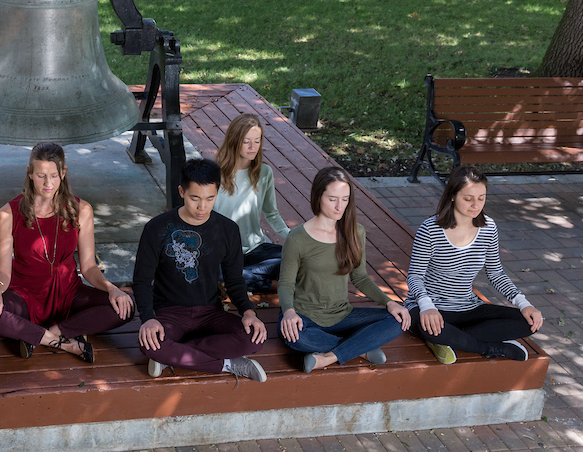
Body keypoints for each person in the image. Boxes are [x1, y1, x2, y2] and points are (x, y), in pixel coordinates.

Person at [0, 142, 133, 362]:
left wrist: (111, 289)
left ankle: (39, 335)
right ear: (29, 173)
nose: (48, 183)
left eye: (54, 175)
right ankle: (66, 343)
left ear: (63, 173)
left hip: (69, 294)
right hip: (25, 296)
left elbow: (88, 267)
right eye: (41, 175)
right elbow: (2, 271)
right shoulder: (8, 213)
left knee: (124, 306)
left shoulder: (82, 210)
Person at [133, 158, 268, 381]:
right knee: (150, 344)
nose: (202, 207)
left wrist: (248, 312)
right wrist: (149, 318)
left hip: (210, 313)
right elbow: (142, 281)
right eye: (195, 198)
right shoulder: (156, 228)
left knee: (255, 338)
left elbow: (235, 281)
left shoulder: (227, 230)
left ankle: (173, 353)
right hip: (169, 314)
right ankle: (226, 364)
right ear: (181, 192)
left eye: (210, 198)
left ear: (218, 192)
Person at [405, 165, 543, 364]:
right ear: (452, 195)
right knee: (426, 325)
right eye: (468, 199)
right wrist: (427, 307)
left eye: (481, 198)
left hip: (467, 307)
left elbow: (495, 272)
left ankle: (449, 338)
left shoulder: (488, 228)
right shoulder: (430, 230)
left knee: (529, 322)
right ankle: (490, 347)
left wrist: (524, 303)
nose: (475, 205)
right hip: (429, 307)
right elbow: (414, 276)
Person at [279, 167, 410, 372]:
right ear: (318, 196)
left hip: (342, 315)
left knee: (398, 319)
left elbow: (361, 278)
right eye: (332, 199)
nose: (340, 206)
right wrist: (288, 312)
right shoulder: (297, 238)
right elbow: (286, 284)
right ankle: (360, 347)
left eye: (345, 199)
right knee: (296, 338)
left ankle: (327, 357)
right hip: (305, 317)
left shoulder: (355, 232)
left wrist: (390, 303)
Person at [212, 113, 291, 294]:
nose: (252, 147)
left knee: (300, 260)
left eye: (257, 140)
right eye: (246, 141)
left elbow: (271, 214)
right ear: (234, 140)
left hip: (256, 249)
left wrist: (291, 238)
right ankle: (268, 285)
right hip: (224, 253)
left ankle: (236, 279)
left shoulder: (264, 173)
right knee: (209, 269)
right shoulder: (215, 173)